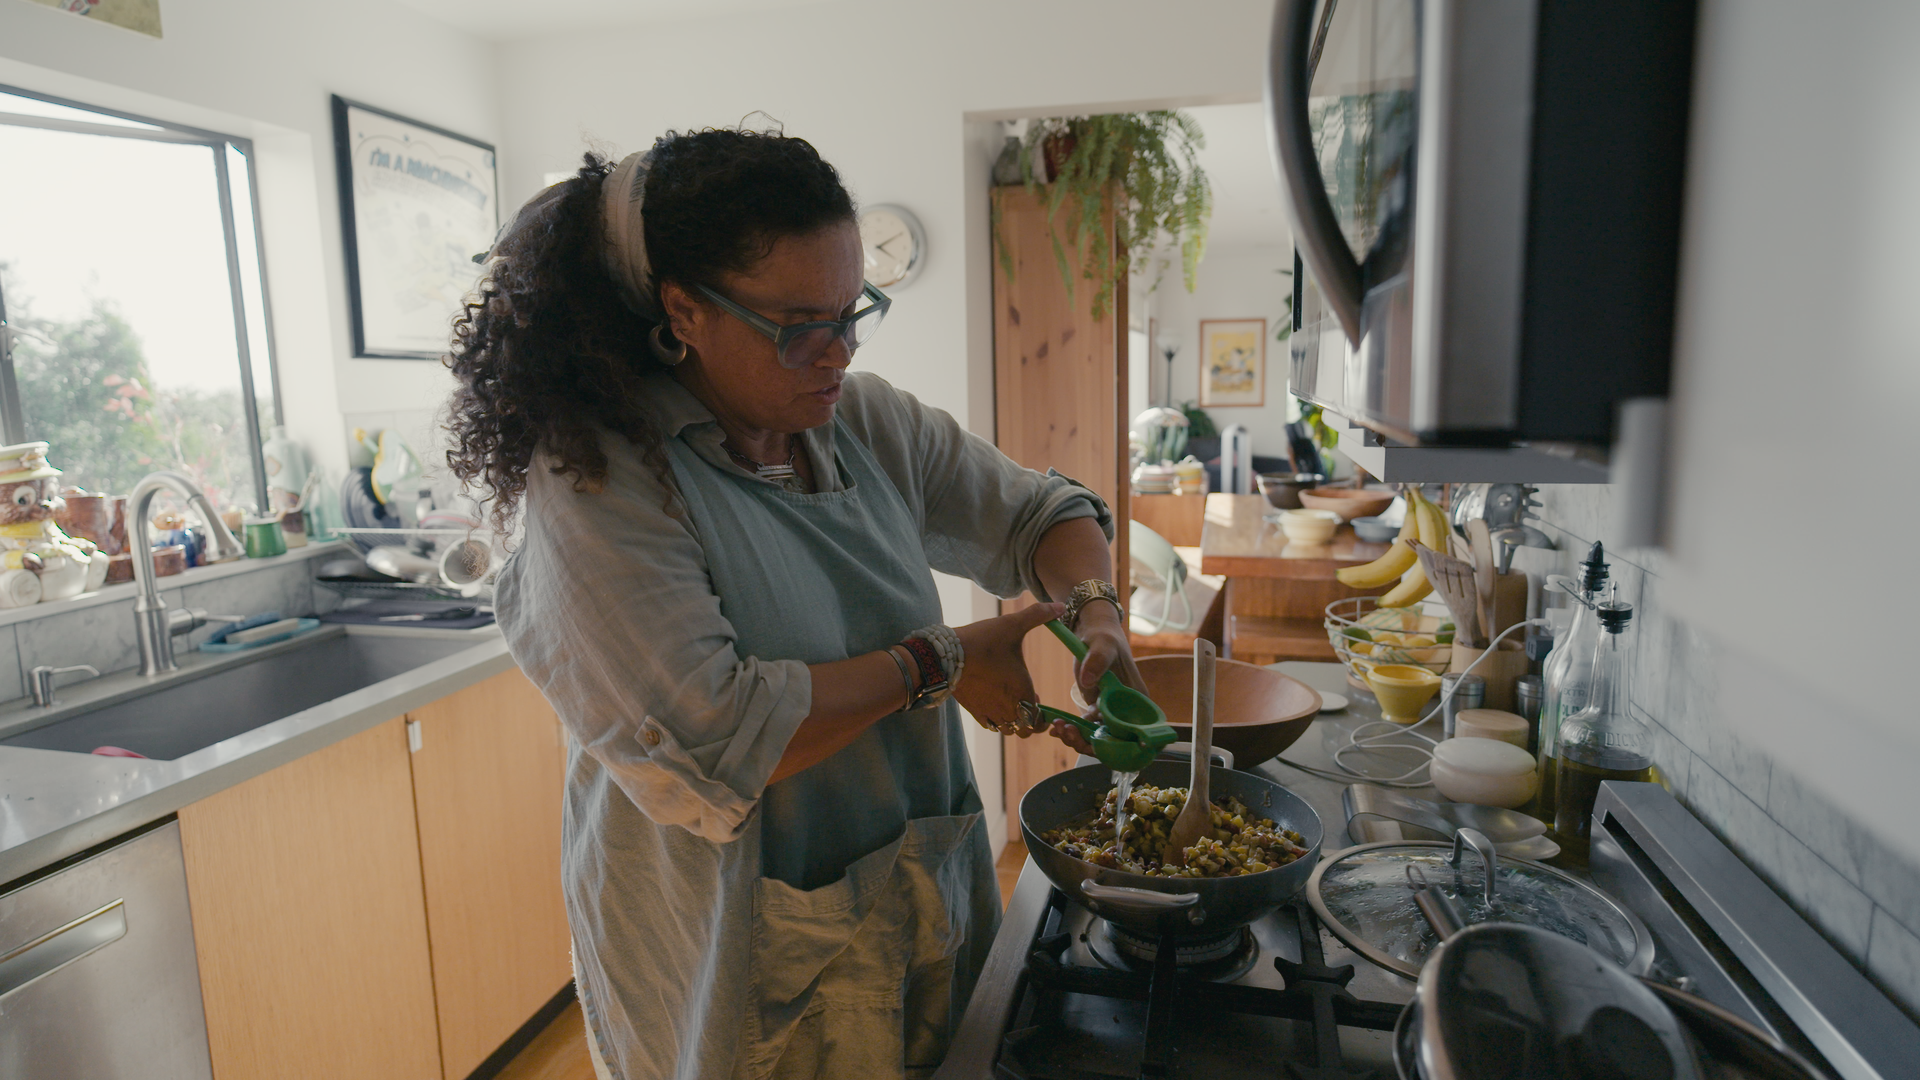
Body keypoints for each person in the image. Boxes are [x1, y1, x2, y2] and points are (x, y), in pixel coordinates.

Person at [443, 127, 1141, 1080]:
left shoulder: (860, 419)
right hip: (728, 939)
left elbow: (1041, 513)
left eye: (855, 312)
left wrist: (1095, 607)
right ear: (684, 309)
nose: (838, 352)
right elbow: (720, 733)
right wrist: (939, 662)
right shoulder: (601, 482)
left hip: (912, 892)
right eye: (801, 326)